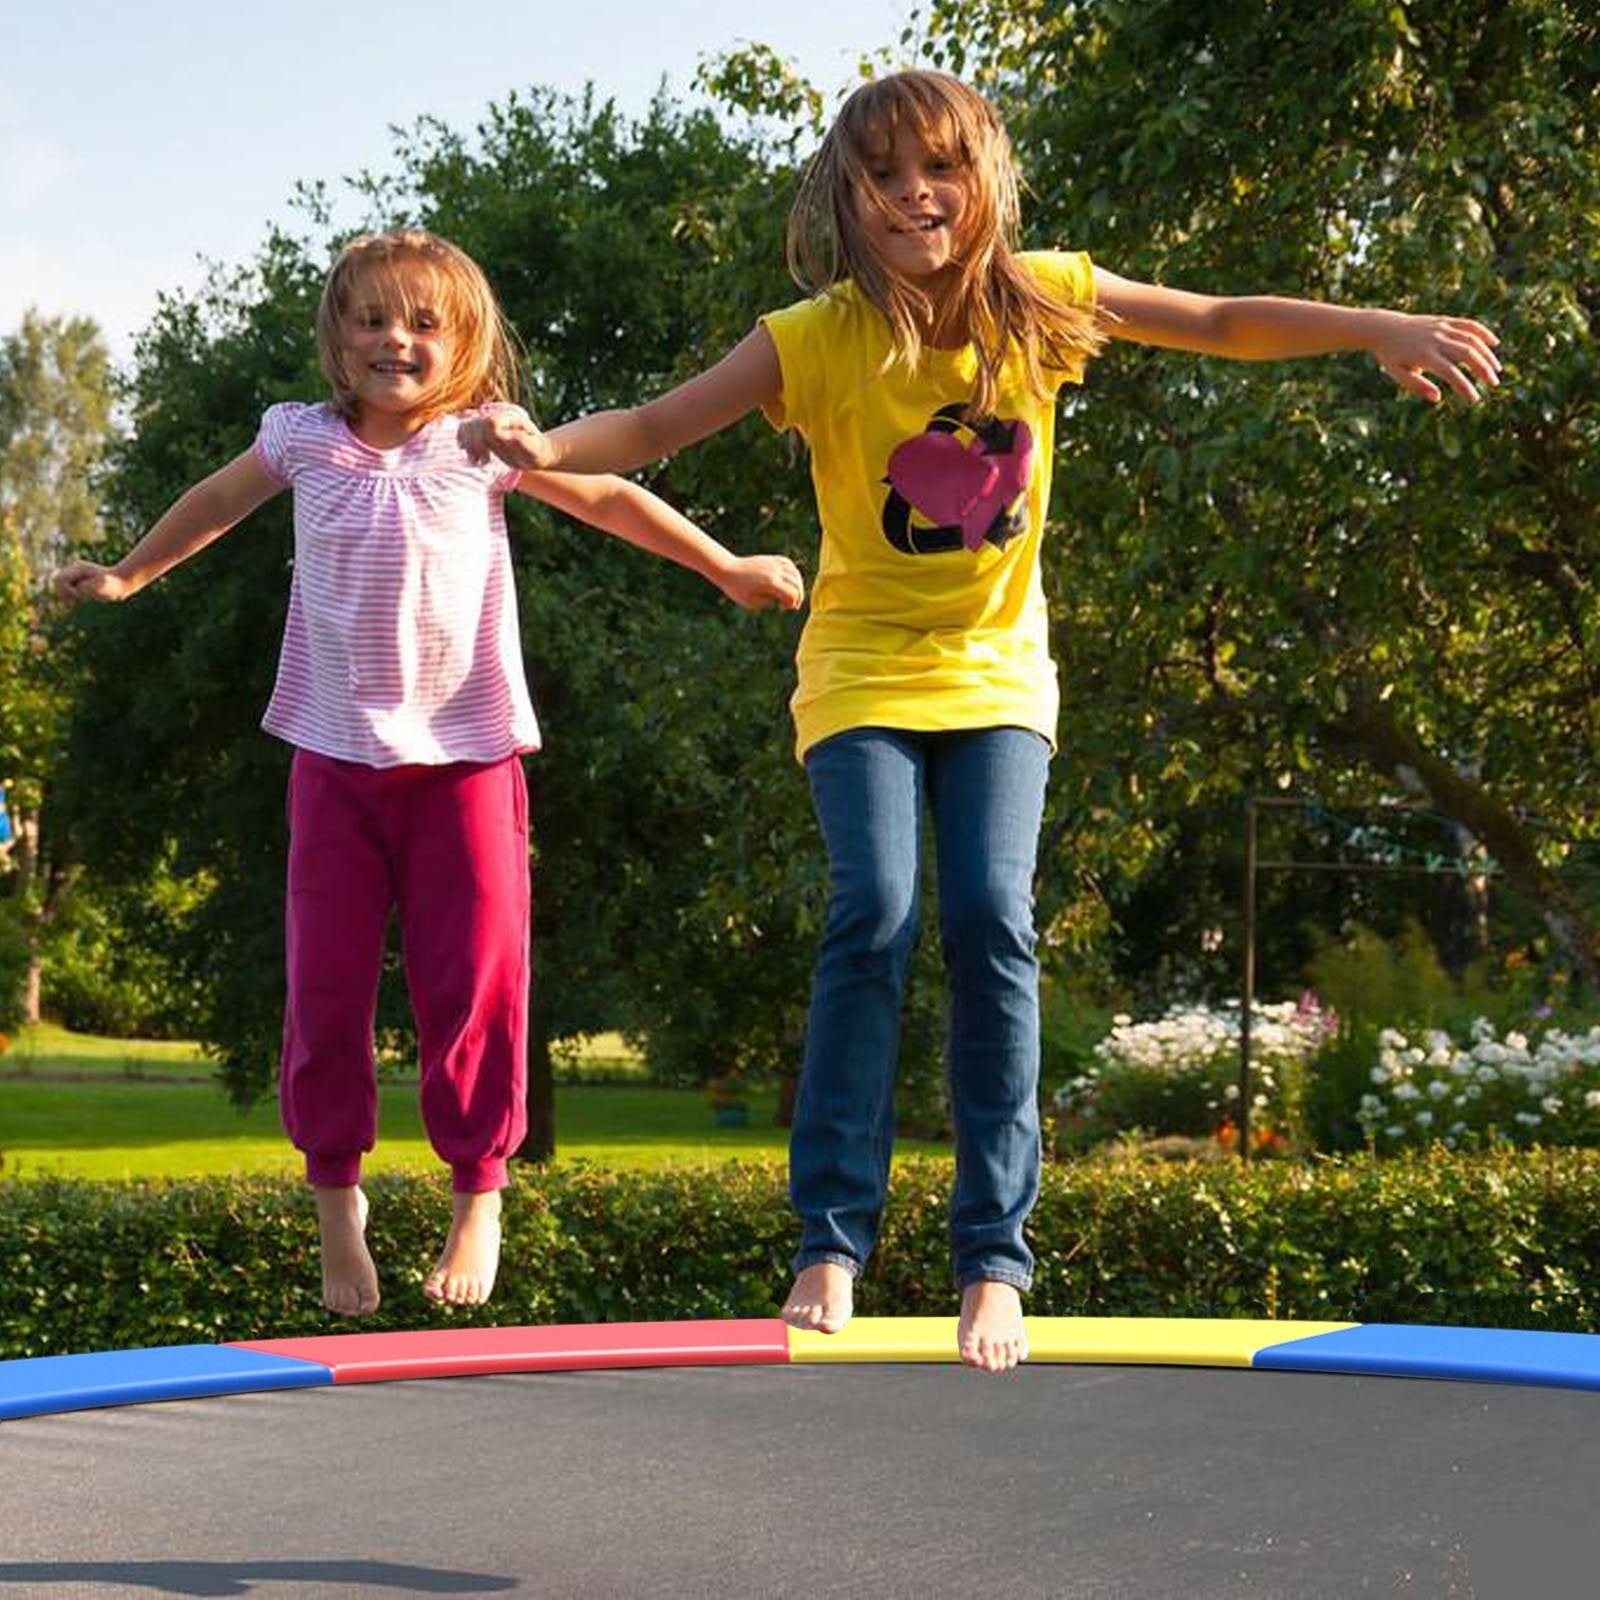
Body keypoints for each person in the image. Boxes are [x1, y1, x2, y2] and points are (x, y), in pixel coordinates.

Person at [458, 70, 1500, 1372]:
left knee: (991, 922)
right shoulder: (814, 338)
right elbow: (658, 423)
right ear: (847, 198)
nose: (914, 196)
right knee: (877, 911)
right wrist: (543, 445)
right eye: (884, 176)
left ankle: (993, 1259)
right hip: (860, 668)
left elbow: (1223, 320)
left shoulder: (1045, 298)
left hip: (1001, 673)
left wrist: (1377, 324)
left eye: (936, 169)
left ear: (982, 179)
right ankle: (830, 1237)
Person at [56, 228, 804, 1318]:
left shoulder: (484, 443)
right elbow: (213, 502)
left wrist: (724, 564)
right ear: (337, 335)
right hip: (334, 757)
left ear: (461, 345)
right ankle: (335, 1205)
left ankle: (477, 1194)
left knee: (477, 983)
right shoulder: (301, 440)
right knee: (325, 989)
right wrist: (130, 572)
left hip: (465, 758)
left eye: (420, 324)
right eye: (369, 320)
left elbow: (609, 497)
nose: (392, 341)